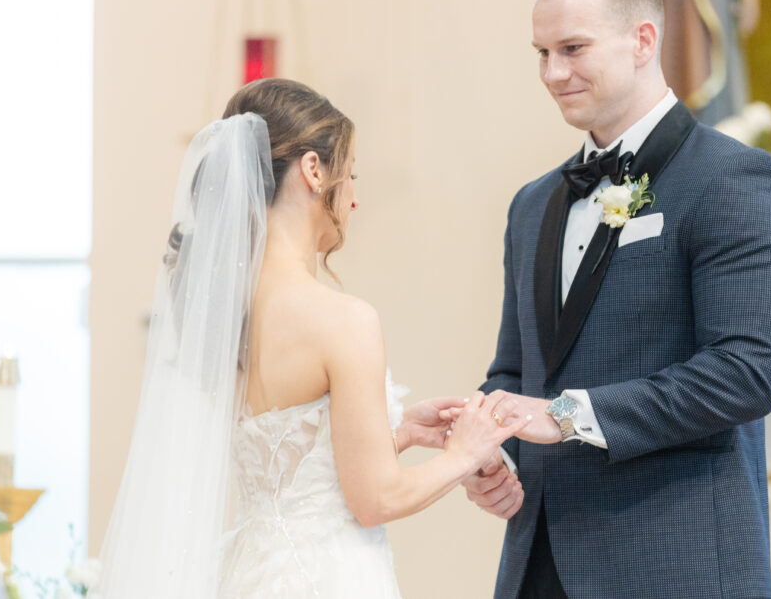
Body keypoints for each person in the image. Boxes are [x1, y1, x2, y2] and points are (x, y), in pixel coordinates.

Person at [97, 78, 530, 598]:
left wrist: (401, 433)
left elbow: (293, 474)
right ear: (312, 169)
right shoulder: (343, 320)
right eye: (350, 176)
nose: (353, 199)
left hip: (249, 574)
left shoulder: (230, 317)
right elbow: (375, 499)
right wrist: (464, 452)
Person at [457, 0, 771, 599]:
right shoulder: (532, 204)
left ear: (644, 39)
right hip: (539, 565)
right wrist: (491, 448)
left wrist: (564, 415)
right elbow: (517, 370)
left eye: (573, 48)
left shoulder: (733, 180)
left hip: (673, 563)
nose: (553, 72)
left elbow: (744, 374)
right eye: (541, 52)